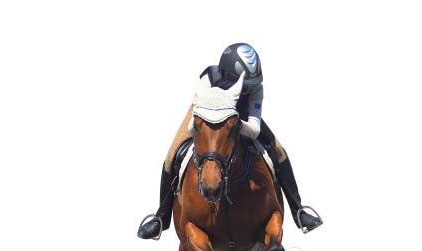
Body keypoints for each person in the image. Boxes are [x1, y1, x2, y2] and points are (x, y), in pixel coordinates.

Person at [137, 43, 323, 240]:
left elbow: (254, 129)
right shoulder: (208, 78)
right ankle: (161, 218)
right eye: (243, 85)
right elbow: (195, 123)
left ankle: (299, 211)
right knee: (171, 155)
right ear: (226, 74)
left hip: (239, 120)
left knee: (279, 152)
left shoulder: (256, 89)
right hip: (205, 114)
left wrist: (233, 125)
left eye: (249, 86)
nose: (246, 91)